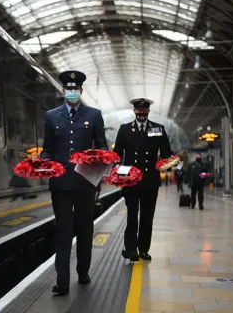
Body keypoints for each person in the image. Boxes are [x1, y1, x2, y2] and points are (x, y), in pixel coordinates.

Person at [40, 70, 108, 295]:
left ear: (80, 90)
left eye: (75, 89)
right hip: (60, 184)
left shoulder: (94, 115)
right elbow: (48, 148)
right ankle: (62, 282)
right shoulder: (51, 116)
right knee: (63, 231)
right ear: (63, 91)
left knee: (85, 229)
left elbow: (102, 147)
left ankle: (83, 271)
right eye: (68, 89)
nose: (71, 92)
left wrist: (99, 159)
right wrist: (42, 161)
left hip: (85, 183)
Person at [113, 98, 173, 262]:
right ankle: (131, 249)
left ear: (148, 112)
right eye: (138, 111)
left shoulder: (157, 129)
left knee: (147, 216)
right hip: (130, 181)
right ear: (134, 111)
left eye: (144, 111)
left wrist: (170, 162)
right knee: (132, 215)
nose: (141, 114)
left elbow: (166, 152)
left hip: (150, 181)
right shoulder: (125, 129)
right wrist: (118, 169)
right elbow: (117, 154)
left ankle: (143, 249)